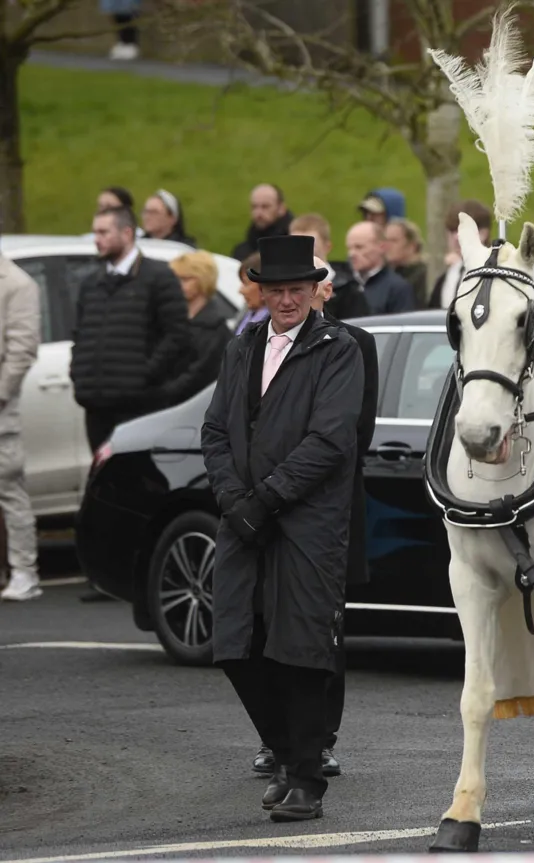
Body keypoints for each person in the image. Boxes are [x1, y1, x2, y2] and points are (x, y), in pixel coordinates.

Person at [202, 234, 365, 823]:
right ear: (261, 292)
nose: (287, 299)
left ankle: (304, 779)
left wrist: (265, 500)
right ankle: (292, 754)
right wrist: (232, 498)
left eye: (297, 289)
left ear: (315, 290)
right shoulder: (243, 345)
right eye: (276, 290)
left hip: (306, 523)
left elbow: (330, 440)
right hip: (243, 516)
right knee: (235, 645)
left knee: (299, 651)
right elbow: (216, 430)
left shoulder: (336, 348)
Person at [250, 256, 377, 781]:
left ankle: (320, 738)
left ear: (322, 291)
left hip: (328, 503)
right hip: (267, 503)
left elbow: (352, 432)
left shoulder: (350, 346)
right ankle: (275, 737)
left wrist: (301, 486)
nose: (300, 298)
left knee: (324, 630)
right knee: (264, 627)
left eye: (309, 287)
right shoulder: (254, 345)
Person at [70, 207, 190, 452]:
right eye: (95, 232)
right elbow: (80, 335)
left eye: (103, 232)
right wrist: (79, 374)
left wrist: (143, 376)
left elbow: (178, 335)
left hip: (139, 407)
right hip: (96, 405)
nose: (96, 239)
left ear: (126, 233)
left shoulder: (158, 277)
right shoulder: (91, 284)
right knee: (103, 482)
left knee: (139, 482)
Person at [0, 241, 40, 603]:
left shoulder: (16, 283)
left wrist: (0, 393)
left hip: (0, 410)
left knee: (9, 488)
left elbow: (23, 348)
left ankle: (25, 571)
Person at [159, 251, 233, 407]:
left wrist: (161, 394)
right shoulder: (170, 318)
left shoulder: (215, 327)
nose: (177, 284)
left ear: (202, 280)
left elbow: (199, 373)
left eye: (185, 279)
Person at [345, 221, 415, 315]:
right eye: (349, 248)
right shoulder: (342, 284)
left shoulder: (397, 289)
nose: (351, 254)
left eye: (359, 247)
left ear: (382, 247)